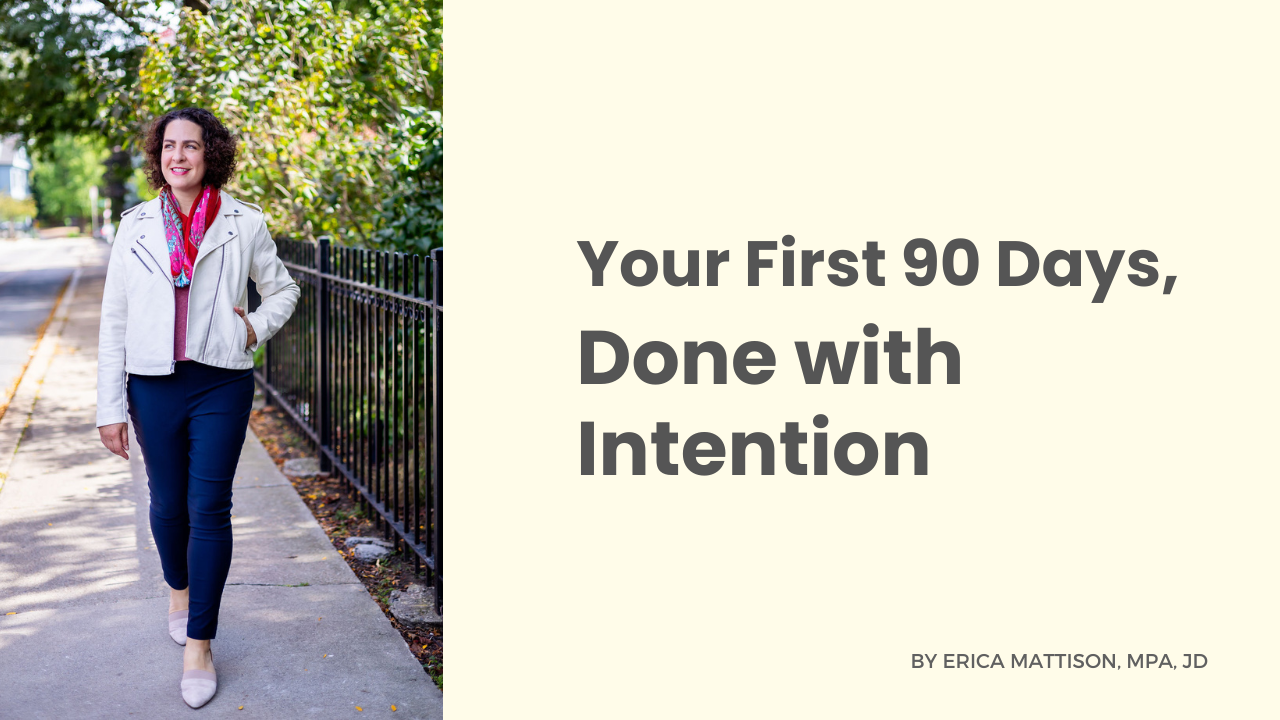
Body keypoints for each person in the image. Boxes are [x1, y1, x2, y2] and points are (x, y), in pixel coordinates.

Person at [95, 107, 300, 708]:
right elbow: (114, 321)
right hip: (152, 384)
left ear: (210, 152)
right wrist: (110, 406)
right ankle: (179, 594)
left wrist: (252, 328)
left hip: (221, 382)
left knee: (209, 508)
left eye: (190, 145)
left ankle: (200, 645)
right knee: (167, 505)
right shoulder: (135, 227)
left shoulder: (243, 222)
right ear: (158, 157)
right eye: (168, 146)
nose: (178, 155)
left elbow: (284, 288)